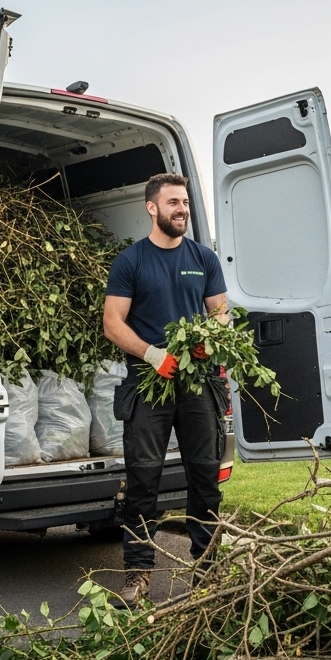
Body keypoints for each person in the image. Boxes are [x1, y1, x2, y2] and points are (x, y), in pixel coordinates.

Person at [103, 173, 229, 606]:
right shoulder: (131, 261)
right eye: (173, 202)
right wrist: (151, 354)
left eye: (185, 202)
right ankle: (137, 576)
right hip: (148, 381)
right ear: (152, 208)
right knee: (142, 478)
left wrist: (206, 338)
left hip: (198, 381)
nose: (182, 209)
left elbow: (221, 313)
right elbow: (112, 323)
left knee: (205, 477)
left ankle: (208, 569)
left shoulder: (203, 258)